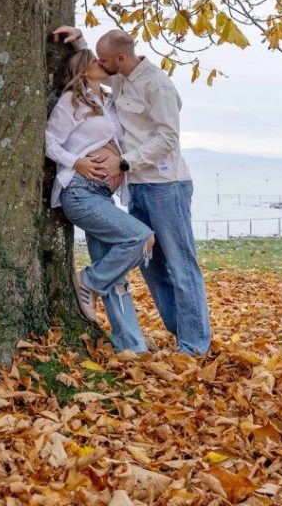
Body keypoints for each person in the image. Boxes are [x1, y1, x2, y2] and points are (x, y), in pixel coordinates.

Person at [52, 26, 211, 357]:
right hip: (135, 188)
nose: (101, 63)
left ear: (119, 59)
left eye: (105, 59)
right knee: (152, 266)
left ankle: (194, 345)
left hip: (166, 184)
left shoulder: (157, 85)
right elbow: (91, 70)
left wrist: (123, 163)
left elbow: (168, 139)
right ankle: (173, 332)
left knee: (181, 264)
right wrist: (79, 40)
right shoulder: (120, 77)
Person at [46, 48, 155, 353]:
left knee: (117, 278)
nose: (102, 63)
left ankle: (131, 347)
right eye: (96, 61)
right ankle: (87, 281)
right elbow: (49, 139)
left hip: (102, 195)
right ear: (83, 71)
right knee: (142, 238)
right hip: (80, 192)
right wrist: (75, 162)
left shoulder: (109, 101)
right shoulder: (72, 102)